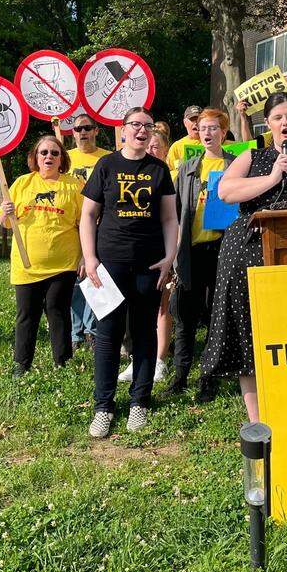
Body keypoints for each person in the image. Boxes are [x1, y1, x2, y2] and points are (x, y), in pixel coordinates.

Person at [199, 93, 287, 419]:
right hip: (245, 252)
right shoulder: (252, 157)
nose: (285, 123)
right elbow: (226, 192)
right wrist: (272, 178)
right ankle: (257, 420)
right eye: (277, 117)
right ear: (268, 123)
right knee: (248, 332)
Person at [81, 107, 178, 437]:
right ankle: (103, 406)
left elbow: (169, 219)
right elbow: (87, 215)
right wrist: (90, 258)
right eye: (135, 125)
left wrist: (170, 257)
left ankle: (139, 401)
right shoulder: (106, 165)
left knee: (144, 333)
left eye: (148, 126)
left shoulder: (159, 169)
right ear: (122, 130)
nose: (142, 130)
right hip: (110, 264)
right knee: (107, 334)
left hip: (149, 265)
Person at [0, 135, 84, 375]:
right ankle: (21, 364)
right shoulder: (21, 184)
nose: (49, 157)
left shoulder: (74, 185)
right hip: (27, 264)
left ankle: (63, 361)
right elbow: (6, 223)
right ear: (35, 158)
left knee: (58, 313)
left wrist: (85, 257)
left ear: (62, 159)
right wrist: (5, 214)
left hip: (63, 263)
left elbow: (85, 223)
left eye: (54, 153)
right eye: (44, 153)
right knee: (26, 315)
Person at [169, 108, 235, 393]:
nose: (207, 133)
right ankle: (180, 376)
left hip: (222, 249)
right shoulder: (188, 167)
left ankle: (209, 377)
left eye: (213, 128)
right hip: (191, 251)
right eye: (202, 128)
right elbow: (173, 212)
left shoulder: (235, 165)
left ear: (223, 132)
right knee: (185, 316)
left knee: (215, 317)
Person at [117, 127, 174, 384]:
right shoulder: (132, 174)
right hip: (136, 253)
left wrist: (172, 254)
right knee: (134, 308)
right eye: (148, 145)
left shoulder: (168, 175)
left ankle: (159, 361)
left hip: (164, 251)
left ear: (165, 150)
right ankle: (136, 359)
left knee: (161, 308)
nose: (151, 149)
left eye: (156, 146)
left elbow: (174, 219)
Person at [67, 116, 111, 349]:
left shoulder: (107, 157)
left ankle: (92, 329)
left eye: (87, 128)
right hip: (72, 224)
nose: (82, 132)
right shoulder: (66, 158)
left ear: (95, 130)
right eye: (77, 129)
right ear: (72, 133)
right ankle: (75, 334)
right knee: (76, 280)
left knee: (95, 277)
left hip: (100, 222)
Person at [165, 105, 203, 174]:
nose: (196, 123)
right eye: (192, 119)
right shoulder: (176, 147)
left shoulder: (213, 143)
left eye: (199, 119)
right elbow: (169, 172)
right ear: (185, 122)